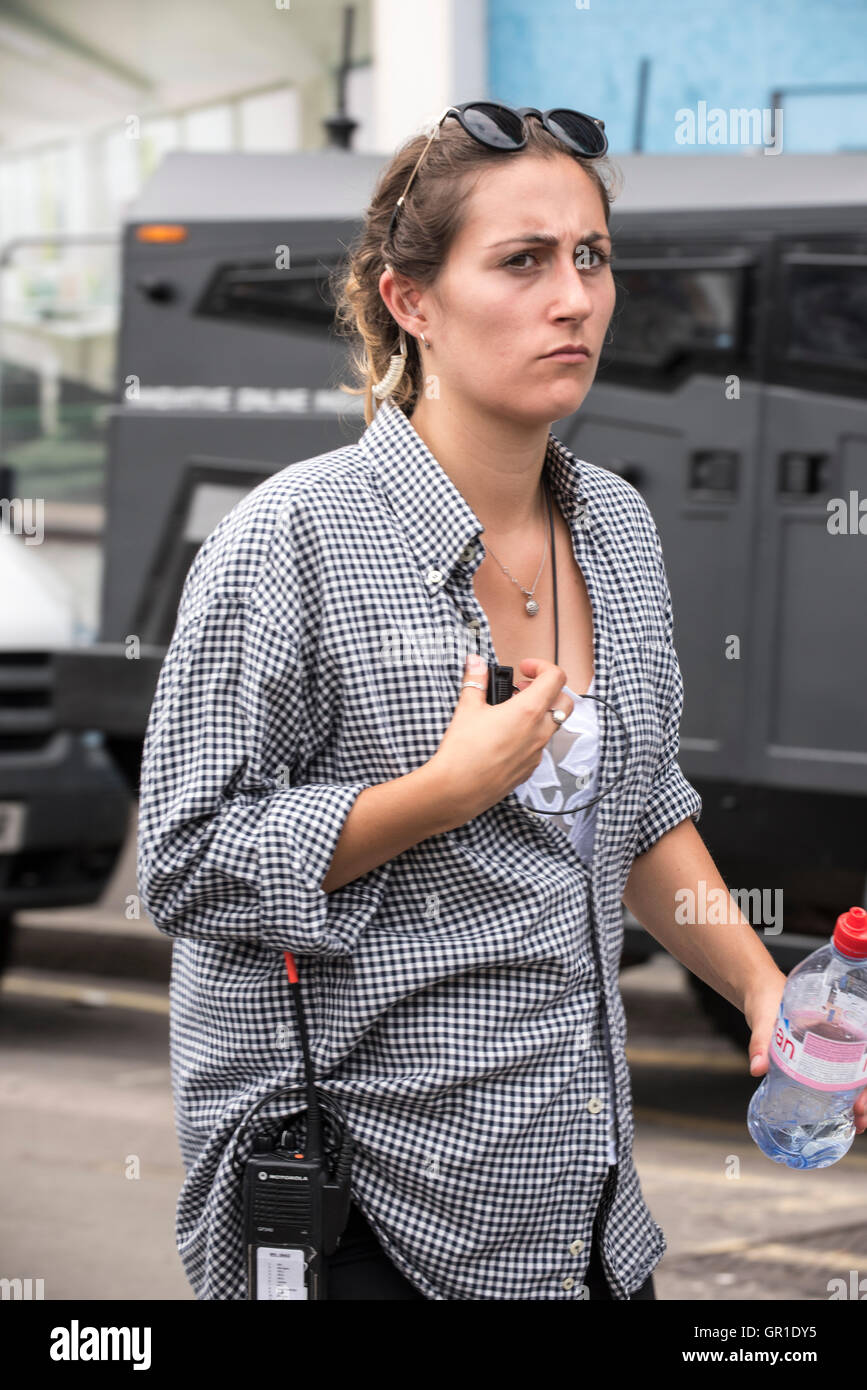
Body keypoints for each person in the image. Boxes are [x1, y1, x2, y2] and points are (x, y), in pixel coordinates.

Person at [137, 103, 867, 1302]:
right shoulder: (291, 539)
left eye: (592, 256)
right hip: (373, 1211)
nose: (574, 298)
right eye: (522, 261)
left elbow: (641, 812)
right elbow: (183, 859)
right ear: (409, 301)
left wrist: (760, 986)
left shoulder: (618, 529)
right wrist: (440, 794)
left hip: (578, 1207)